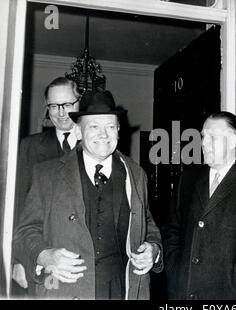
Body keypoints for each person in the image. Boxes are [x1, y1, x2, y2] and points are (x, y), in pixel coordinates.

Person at [13, 90, 162, 299]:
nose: (104, 134)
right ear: (79, 132)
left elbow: (148, 226)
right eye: (94, 126)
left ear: (119, 130)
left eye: (110, 126)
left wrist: (153, 250)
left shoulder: (137, 175)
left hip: (122, 290)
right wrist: (45, 256)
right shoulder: (46, 174)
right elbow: (25, 232)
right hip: (66, 290)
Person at [162, 111, 236, 300]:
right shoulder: (187, 180)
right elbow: (172, 232)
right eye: (203, 137)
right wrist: (177, 275)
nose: (203, 143)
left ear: (234, 141)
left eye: (212, 137)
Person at [12, 77, 81, 293]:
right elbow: (17, 204)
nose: (61, 113)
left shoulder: (95, 143)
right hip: (41, 256)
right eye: (54, 106)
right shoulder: (29, 146)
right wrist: (18, 260)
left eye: (68, 104)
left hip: (82, 257)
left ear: (80, 104)